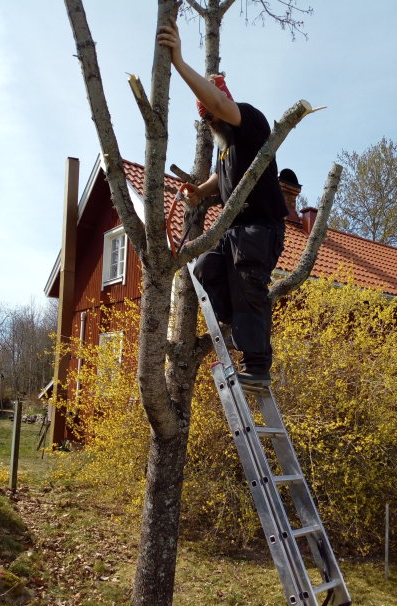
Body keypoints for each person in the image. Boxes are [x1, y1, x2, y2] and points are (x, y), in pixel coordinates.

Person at [158, 18, 287, 385]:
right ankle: (240, 330)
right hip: (233, 231)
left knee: (248, 285)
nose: (211, 120)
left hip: (260, 228)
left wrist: (179, 63)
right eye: (207, 118)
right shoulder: (226, 147)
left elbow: (217, 101)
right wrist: (202, 191)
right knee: (205, 270)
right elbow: (223, 177)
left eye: (213, 114)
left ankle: (258, 364)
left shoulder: (249, 120)